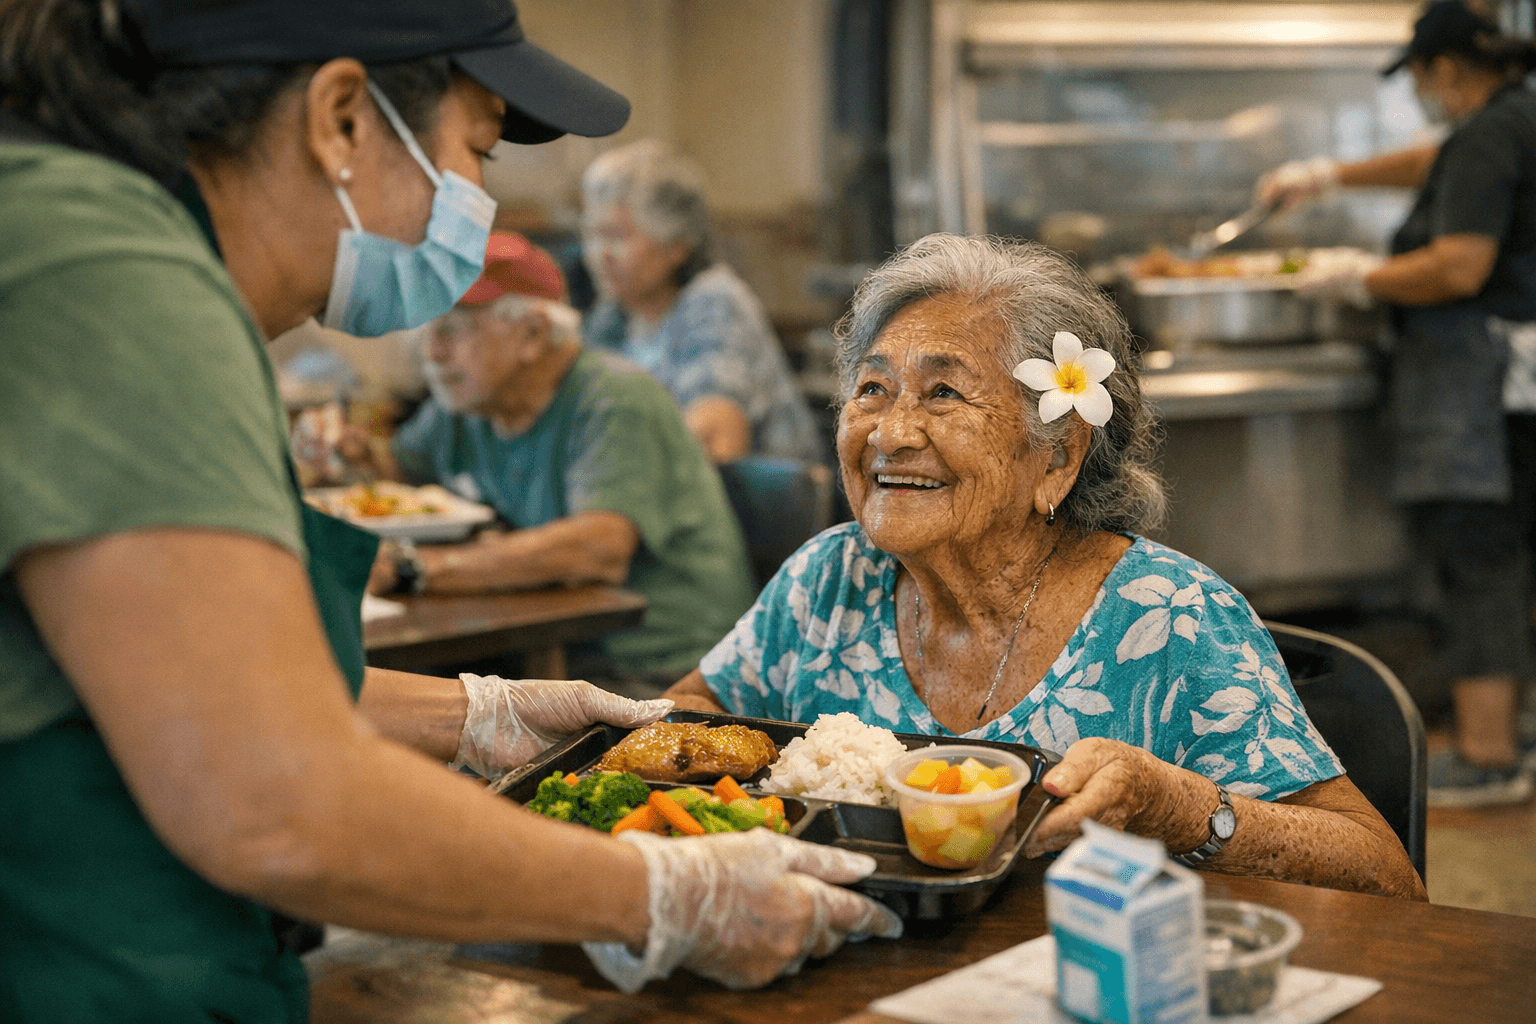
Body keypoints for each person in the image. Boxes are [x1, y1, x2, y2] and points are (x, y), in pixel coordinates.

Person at [0, 1, 901, 1019]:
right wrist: (661, 894)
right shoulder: (115, 278)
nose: (477, 197)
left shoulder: (79, 234)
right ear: (341, 116)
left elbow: (192, 676)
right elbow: (272, 798)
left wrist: (475, 713)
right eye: (477, 149)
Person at [664, 234, 1427, 901]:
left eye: (943, 393)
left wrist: (1178, 808)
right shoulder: (828, 579)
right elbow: (691, 718)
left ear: (1057, 458)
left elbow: (1385, 877)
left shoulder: (1169, 619)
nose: (890, 433)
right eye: (872, 388)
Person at [1255, 0, 1536, 807]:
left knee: (1477, 556)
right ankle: (1514, 735)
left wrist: (1352, 275)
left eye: (1418, 77)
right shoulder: (1515, 117)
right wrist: (1328, 176)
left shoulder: (1488, 131)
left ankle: (1487, 754)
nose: (1421, 93)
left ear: (1444, 70)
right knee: (1510, 555)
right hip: (1516, 380)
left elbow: (1458, 267)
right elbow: (1440, 165)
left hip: (1477, 387)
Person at [361, 231, 759, 687]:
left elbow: (597, 548)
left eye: (453, 330)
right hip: (549, 650)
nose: (433, 353)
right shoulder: (467, 403)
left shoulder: (615, 397)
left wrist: (412, 567)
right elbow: (393, 475)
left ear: (532, 333)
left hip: (662, 668)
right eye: (430, 332)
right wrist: (345, 452)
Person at [578, 139, 825, 466]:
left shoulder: (713, 302)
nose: (601, 254)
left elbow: (718, 440)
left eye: (617, 235)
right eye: (593, 235)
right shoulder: (610, 318)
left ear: (676, 245)